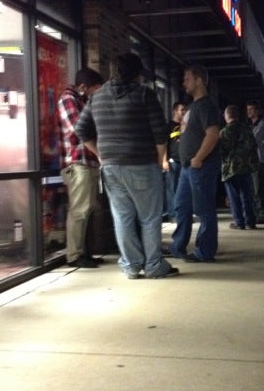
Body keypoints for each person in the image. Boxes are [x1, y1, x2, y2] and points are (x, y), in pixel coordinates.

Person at [75, 52, 178, 279]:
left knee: (122, 217)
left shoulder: (97, 97)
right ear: (137, 73)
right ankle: (153, 265)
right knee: (149, 218)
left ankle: (131, 266)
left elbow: (81, 129)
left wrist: (100, 154)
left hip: (111, 167)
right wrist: (160, 159)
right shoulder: (144, 94)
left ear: (112, 71)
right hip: (142, 163)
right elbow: (160, 133)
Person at [166, 64, 221, 262]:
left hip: (201, 166)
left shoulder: (206, 106)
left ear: (199, 80)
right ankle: (177, 246)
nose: (184, 83)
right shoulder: (193, 107)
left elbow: (213, 134)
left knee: (204, 209)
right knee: (181, 206)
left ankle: (204, 252)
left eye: (187, 79)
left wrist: (198, 158)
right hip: (187, 167)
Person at [57, 67, 104, 268]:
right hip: (77, 162)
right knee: (79, 210)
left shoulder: (81, 100)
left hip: (87, 161)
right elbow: (80, 129)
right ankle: (74, 255)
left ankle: (83, 252)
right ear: (83, 86)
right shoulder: (68, 99)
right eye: (95, 89)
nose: (96, 93)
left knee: (87, 208)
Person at [220, 104, 259, 230]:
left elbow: (221, 151)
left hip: (230, 169)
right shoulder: (247, 130)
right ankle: (250, 221)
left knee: (234, 197)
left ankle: (239, 222)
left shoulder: (225, 132)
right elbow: (254, 147)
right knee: (247, 196)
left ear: (227, 116)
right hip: (246, 168)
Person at [246, 100, 264, 224]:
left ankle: (262, 214)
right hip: (254, 161)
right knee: (255, 189)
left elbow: (253, 140)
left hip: (260, 161)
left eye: (251, 109)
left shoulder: (262, 125)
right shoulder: (252, 125)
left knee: (258, 189)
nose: (248, 112)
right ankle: (257, 213)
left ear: (257, 111)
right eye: (247, 109)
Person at [163, 101, 186, 222]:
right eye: (182, 110)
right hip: (173, 161)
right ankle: (173, 214)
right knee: (172, 189)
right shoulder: (168, 126)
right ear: (175, 111)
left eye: (185, 110)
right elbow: (163, 144)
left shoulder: (186, 125)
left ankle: (183, 214)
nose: (184, 112)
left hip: (185, 162)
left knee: (184, 189)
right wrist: (164, 161)